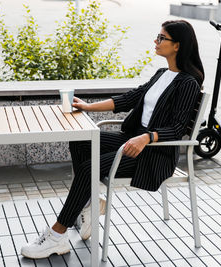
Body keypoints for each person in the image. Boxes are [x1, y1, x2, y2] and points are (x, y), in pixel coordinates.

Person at [21, 19, 204, 259]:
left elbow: (178, 127)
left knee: (88, 169)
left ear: (177, 46)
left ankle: (57, 236)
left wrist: (146, 138)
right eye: (157, 36)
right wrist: (88, 106)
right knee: (81, 141)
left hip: (154, 155)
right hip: (132, 141)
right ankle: (90, 205)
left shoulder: (188, 83)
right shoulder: (162, 74)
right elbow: (131, 98)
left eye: (162, 38)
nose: (156, 41)